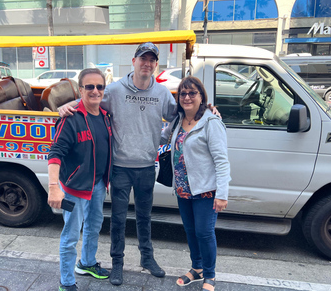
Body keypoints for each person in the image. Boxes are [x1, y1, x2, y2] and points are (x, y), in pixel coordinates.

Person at [59, 42, 175, 285]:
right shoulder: (113, 90)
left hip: (146, 167)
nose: (147, 63)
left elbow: (181, 115)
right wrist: (65, 105)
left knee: (145, 217)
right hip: (120, 168)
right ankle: (117, 264)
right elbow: (89, 102)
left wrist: (163, 138)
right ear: (134, 61)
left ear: (156, 64)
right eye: (143, 58)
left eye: (152, 59)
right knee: (118, 220)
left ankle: (147, 258)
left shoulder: (163, 94)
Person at [160, 76, 230, 291]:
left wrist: (222, 194)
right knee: (191, 231)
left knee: (204, 232)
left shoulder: (211, 122)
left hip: (205, 190)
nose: (187, 97)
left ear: (201, 97)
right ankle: (197, 268)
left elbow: (222, 160)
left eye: (192, 93)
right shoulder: (177, 120)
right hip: (182, 188)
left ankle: (210, 274)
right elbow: (162, 138)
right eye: (183, 93)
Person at [48, 68, 113, 291]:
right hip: (74, 188)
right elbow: (55, 153)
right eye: (89, 87)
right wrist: (53, 187)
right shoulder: (70, 119)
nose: (95, 91)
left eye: (100, 86)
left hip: (97, 185)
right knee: (70, 236)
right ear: (80, 89)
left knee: (94, 225)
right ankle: (66, 283)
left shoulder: (105, 116)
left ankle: (86, 263)